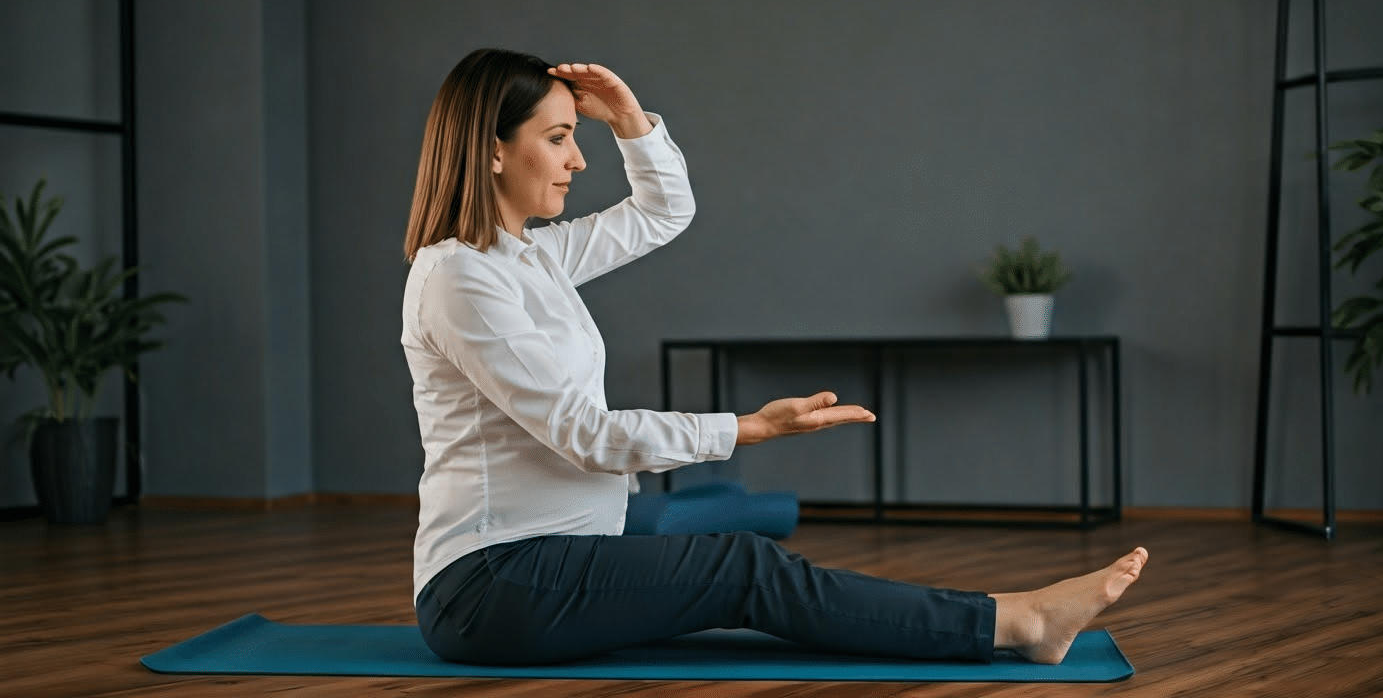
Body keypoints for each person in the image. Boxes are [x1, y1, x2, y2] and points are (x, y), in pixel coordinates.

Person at [401, 47, 1148, 667]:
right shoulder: (461, 276)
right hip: (494, 585)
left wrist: (632, 120)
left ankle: (992, 613)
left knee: (713, 533)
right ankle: (1016, 623)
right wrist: (748, 428)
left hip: (560, 547)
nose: (578, 160)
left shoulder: (532, 257)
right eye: (558, 137)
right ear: (495, 149)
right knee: (742, 566)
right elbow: (585, 435)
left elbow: (665, 211)